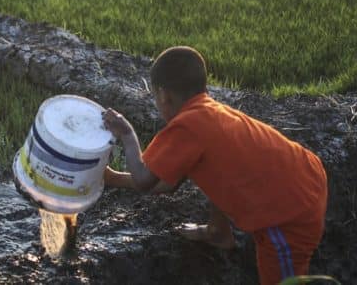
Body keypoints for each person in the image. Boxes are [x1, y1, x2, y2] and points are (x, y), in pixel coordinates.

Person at [102, 46, 328, 283]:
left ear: (164, 95)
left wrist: (128, 135)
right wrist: (112, 178)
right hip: (304, 176)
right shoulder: (208, 112)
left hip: (288, 215)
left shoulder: (187, 127)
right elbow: (167, 184)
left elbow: (144, 180)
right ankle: (217, 232)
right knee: (220, 171)